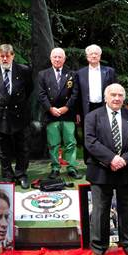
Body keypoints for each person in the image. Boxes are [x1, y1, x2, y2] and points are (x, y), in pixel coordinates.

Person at [84, 83, 128, 255]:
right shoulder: (93, 117)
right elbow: (90, 141)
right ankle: (98, 248)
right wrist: (111, 159)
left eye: (120, 95)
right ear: (105, 97)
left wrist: (124, 159)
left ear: (123, 98)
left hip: (126, 170)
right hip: (101, 170)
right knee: (100, 211)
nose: (117, 98)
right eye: (113, 95)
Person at [0, 43, 33, 189]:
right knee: (4, 149)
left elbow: (30, 89)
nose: (4, 59)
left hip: (20, 115)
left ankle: (21, 174)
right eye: (2, 56)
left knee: (22, 147)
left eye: (7, 56)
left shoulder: (24, 70)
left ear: (13, 56)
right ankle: (7, 176)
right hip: (1, 115)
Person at [37, 47, 80, 179]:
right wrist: (50, 108)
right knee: (53, 144)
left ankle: (71, 167)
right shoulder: (43, 74)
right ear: (51, 59)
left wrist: (66, 107)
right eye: (54, 57)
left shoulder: (72, 74)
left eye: (60, 57)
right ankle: (55, 168)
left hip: (68, 114)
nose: (57, 59)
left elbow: (75, 94)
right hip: (51, 114)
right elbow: (41, 94)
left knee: (70, 142)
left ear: (64, 59)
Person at [76, 44, 117, 122]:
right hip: (87, 109)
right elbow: (77, 94)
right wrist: (77, 112)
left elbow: (115, 91)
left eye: (96, 54)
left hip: (105, 107)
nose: (94, 56)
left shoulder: (109, 72)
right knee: (88, 132)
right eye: (91, 54)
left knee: (104, 131)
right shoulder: (80, 73)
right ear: (87, 57)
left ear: (100, 56)